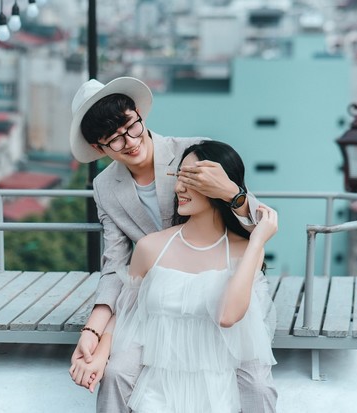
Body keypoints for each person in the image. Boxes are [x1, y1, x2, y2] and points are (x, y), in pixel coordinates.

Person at [68, 77, 277, 412]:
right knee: (117, 373)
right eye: (114, 140)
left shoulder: (191, 153)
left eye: (131, 127)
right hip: (156, 297)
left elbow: (258, 221)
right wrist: (93, 330)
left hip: (218, 282)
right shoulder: (105, 186)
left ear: (139, 115)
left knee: (256, 385)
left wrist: (229, 192)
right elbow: (115, 264)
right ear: (99, 148)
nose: (130, 142)